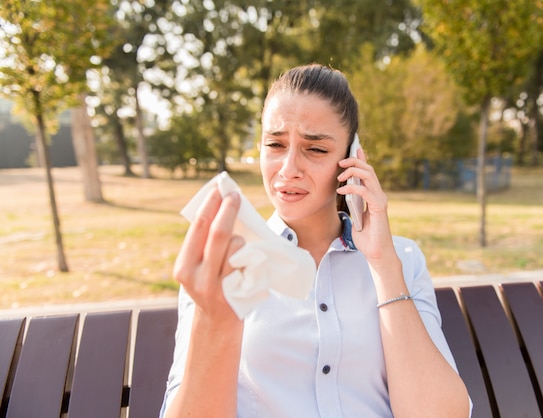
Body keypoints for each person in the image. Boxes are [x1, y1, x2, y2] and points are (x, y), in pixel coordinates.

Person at [160, 63, 470, 417]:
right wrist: (217, 321)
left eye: (316, 149)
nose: (288, 168)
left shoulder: (402, 258)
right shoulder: (222, 265)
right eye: (275, 144)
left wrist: (383, 265)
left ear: (351, 159)